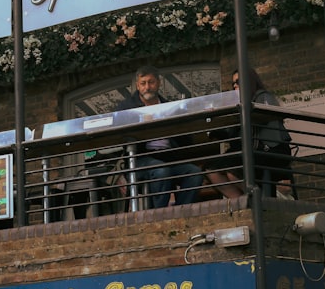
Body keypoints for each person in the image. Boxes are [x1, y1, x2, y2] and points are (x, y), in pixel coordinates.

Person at [115, 64, 203, 208]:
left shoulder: (169, 107)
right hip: (141, 159)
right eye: (143, 83)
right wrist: (140, 121)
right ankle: (159, 215)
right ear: (137, 85)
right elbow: (117, 133)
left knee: (195, 173)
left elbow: (187, 139)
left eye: (151, 82)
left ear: (158, 83)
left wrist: (177, 124)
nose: (147, 87)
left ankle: (182, 212)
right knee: (161, 170)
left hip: (168, 157)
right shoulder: (127, 107)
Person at [206, 68, 293, 198]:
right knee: (211, 170)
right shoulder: (238, 105)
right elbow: (234, 132)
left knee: (233, 170)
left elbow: (266, 117)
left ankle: (259, 200)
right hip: (250, 151)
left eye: (238, 81)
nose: (235, 85)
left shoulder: (263, 96)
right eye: (233, 83)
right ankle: (243, 203)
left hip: (270, 150)